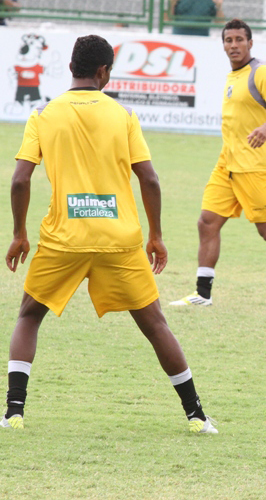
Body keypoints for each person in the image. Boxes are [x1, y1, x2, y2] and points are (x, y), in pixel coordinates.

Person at [2, 35, 216, 433]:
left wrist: (19, 233)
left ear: (71, 69)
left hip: (63, 237)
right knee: (155, 324)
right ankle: (197, 415)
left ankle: (14, 412)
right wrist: (156, 234)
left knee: (29, 316)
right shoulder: (124, 115)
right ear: (103, 72)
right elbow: (149, 178)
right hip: (119, 239)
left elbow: (19, 181)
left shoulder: (44, 115)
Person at [170, 19, 266, 310]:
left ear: (250, 43)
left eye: (239, 39)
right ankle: (203, 293)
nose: (234, 45)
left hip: (255, 166)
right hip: (227, 164)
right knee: (207, 222)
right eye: (229, 40)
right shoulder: (232, 75)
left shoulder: (261, 72)